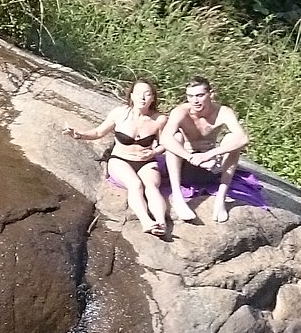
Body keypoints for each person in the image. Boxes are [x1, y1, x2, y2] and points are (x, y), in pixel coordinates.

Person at [64, 80, 176, 239]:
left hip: (146, 160)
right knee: (135, 185)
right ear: (131, 96)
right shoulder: (120, 113)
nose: (142, 98)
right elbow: (98, 132)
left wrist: (153, 153)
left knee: (152, 186)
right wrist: (79, 134)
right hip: (121, 159)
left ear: (153, 98)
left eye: (147, 94)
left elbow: (165, 143)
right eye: (138, 93)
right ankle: (146, 221)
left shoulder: (159, 119)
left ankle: (161, 223)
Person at [164, 75, 251, 224]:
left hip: (211, 166)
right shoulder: (181, 112)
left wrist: (210, 155)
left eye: (200, 95)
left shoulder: (222, 111)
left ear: (211, 94)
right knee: (175, 138)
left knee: (232, 139)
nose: (195, 101)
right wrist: (190, 157)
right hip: (186, 165)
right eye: (190, 96)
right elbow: (164, 138)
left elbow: (243, 138)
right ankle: (178, 198)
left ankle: (220, 198)